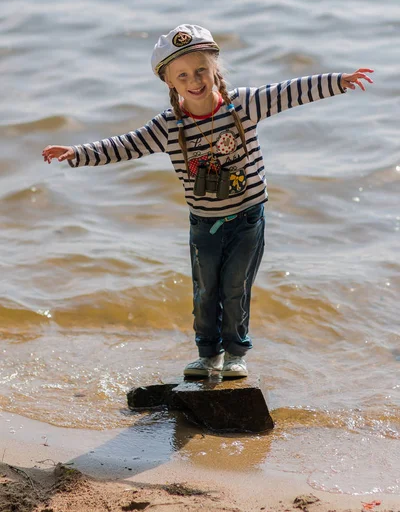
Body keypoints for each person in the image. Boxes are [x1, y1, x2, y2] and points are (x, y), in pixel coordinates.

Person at [42, 24, 373, 379]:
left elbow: (290, 92)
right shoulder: (168, 126)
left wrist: (339, 81)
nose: (195, 80)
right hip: (204, 224)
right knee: (205, 293)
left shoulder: (243, 105)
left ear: (215, 68)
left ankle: (235, 355)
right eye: (183, 75)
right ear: (170, 82)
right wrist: (77, 152)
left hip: (247, 218)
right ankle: (207, 355)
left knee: (236, 288)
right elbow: (126, 145)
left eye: (201, 70)